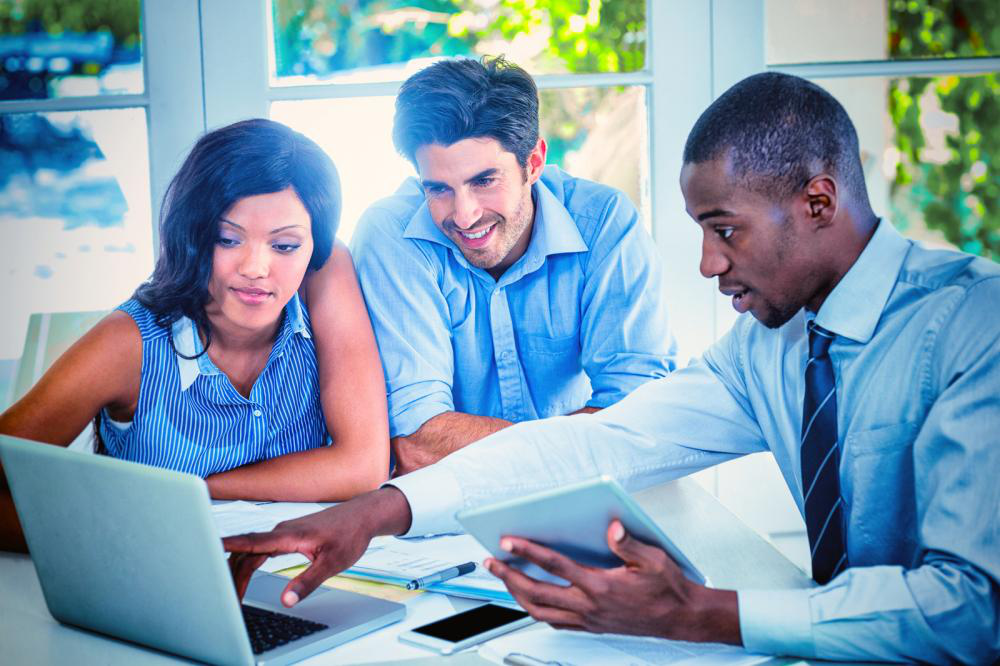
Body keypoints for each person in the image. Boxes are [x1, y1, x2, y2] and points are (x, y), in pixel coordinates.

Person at [224, 73, 1000, 663]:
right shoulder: (769, 343)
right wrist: (378, 510)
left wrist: (704, 613)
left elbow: (972, 612)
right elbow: (599, 444)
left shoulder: (977, 326)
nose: (706, 264)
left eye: (725, 231)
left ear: (819, 203)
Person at [0, 119, 389, 552]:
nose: (256, 268)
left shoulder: (323, 269)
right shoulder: (127, 343)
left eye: (284, 246)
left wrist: (197, 490)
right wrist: (112, 533)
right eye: (227, 239)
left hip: (290, 580)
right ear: (192, 234)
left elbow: (363, 466)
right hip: (157, 581)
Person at [349, 56, 676, 475]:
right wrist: (583, 445)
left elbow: (639, 423)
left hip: (583, 497)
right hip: (449, 510)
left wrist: (469, 442)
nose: (464, 215)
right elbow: (418, 443)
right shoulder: (392, 235)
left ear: (534, 162)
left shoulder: (605, 224)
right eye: (439, 188)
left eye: (484, 181)